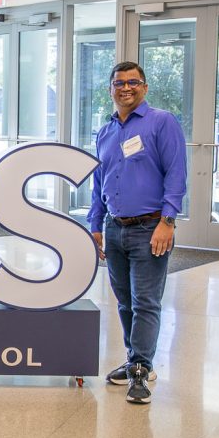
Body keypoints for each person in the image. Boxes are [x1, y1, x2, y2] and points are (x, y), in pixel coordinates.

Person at [88, 60, 186, 405]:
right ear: (110, 89)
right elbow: (99, 181)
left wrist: (167, 221)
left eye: (133, 82)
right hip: (115, 228)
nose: (125, 88)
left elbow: (176, 174)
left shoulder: (162, 122)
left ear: (144, 87)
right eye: (119, 83)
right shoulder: (106, 131)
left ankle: (141, 370)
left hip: (150, 227)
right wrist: (95, 224)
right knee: (126, 301)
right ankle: (136, 360)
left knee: (145, 301)